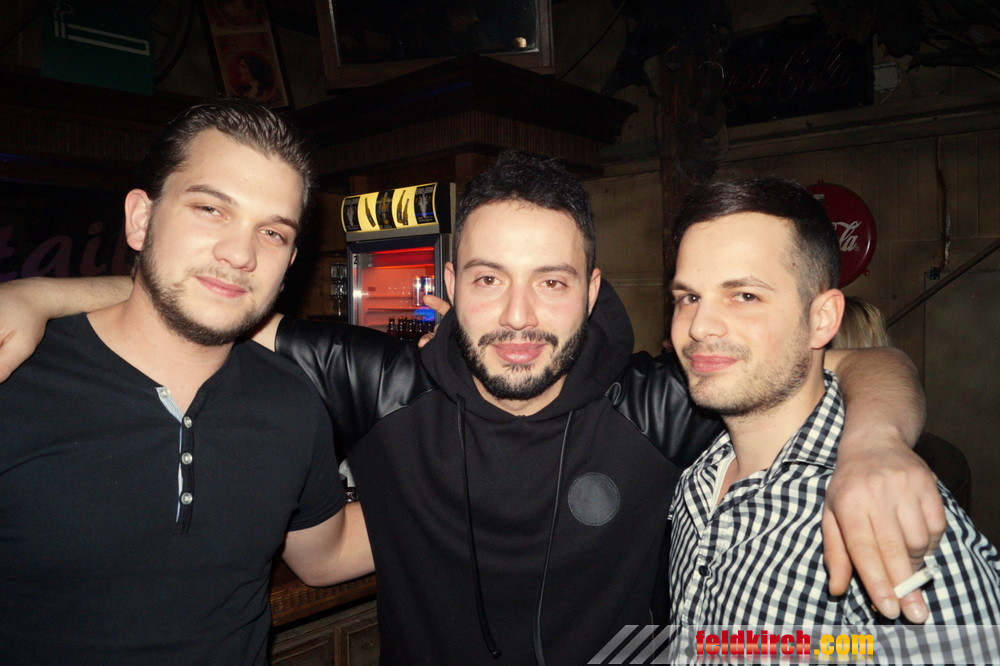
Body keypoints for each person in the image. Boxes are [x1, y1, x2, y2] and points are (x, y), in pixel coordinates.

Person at [0, 153, 938, 663]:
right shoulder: (382, 384)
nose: (519, 316)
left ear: (592, 291)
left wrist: (876, 442)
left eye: (552, 282)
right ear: (449, 287)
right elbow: (215, 300)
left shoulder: (660, 401)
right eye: (488, 279)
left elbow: (857, 359)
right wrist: (38, 296)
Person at [0, 99, 372, 664]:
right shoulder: (16, 378)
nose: (240, 253)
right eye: (210, 209)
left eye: (272, 232)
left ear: (291, 260)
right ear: (140, 219)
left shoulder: (293, 403)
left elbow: (327, 553)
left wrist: (488, 484)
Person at [666, 177, 1000, 630]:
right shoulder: (699, 480)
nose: (699, 326)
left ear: (822, 319)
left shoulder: (890, 512)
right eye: (688, 297)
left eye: (745, 296)